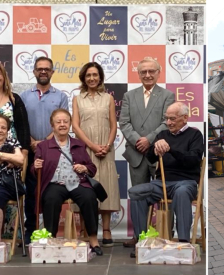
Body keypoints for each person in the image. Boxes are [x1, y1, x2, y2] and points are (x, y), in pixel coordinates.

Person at [128, 102, 204, 258]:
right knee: (136, 192)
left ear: (184, 118)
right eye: (167, 119)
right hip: (161, 183)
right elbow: (149, 158)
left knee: (182, 193)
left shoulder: (195, 135)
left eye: (172, 119)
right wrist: (154, 147)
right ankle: (142, 241)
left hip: (186, 182)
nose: (168, 122)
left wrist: (171, 149)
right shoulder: (162, 135)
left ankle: (183, 243)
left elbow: (193, 160)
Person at [119, 57, 175, 247]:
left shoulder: (167, 95)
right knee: (138, 197)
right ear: (139, 73)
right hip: (136, 154)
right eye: (143, 72)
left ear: (159, 72)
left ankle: (166, 234)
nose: (148, 75)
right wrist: (137, 141)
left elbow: (167, 122)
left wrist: (149, 140)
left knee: (165, 196)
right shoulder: (129, 96)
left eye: (151, 71)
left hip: (158, 153)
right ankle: (139, 236)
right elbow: (124, 123)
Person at [32, 109, 102, 256]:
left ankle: (93, 239)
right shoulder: (43, 146)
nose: (62, 124)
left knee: (89, 198)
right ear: (52, 126)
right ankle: (50, 239)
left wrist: (84, 168)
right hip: (55, 184)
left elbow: (92, 168)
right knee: (50, 199)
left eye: (66, 121)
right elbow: (34, 170)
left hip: (77, 183)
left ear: (70, 124)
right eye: (58, 122)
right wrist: (35, 166)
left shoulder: (79, 144)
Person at [20, 57, 68, 244]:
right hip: (30, 150)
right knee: (31, 192)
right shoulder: (24, 96)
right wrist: (32, 142)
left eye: (47, 69)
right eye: (40, 69)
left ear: (52, 72)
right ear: (34, 72)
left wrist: (44, 143)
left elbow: (63, 123)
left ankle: (50, 234)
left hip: (53, 149)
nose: (43, 72)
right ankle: (30, 231)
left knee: (51, 191)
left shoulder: (61, 96)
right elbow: (22, 124)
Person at [72, 62, 120, 247]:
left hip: (105, 151)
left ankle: (106, 230)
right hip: (85, 150)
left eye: (95, 75)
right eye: (88, 75)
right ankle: (86, 230)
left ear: (100, 77)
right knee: (85, 188)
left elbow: (114, 125)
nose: (92, 78)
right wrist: (92, 146)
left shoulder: (108, 98)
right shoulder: (77, 99)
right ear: (84, 78)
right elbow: (75, 126)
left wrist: (107, 146)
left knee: (105, 186)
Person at [0, 114, 25, 240]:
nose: (0, 130)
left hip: (7, 184)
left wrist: (1, 155)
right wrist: (9, 157)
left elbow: (20, 160)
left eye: (3, 127)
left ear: (7, 130)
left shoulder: (12, 142)